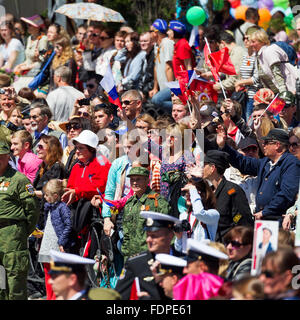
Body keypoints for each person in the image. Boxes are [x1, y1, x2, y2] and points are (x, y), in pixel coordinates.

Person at [216, 126, 300, 226]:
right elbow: (243, 163)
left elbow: (287, 193)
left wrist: (266, 211)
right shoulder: (266, 162)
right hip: (261, 218)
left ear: (277, 145)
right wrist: (224, 146)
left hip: (278, 221)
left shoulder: (291, 163)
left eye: (267, 142)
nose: (263, 145)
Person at [0, 140, 39, 300]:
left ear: (8, 157)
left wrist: (23, 231)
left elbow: (32, 209)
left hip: (12, 235)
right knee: (0, 281)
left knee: (15, 279)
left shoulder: (19, 180)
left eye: (1, 157)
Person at [115, 211, 180, 300]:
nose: (148, 240)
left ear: (170, 236)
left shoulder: (181, 260)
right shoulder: (136, 263)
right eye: (147, 235)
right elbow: (119, 297)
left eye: (154, 236)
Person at [121, 166, 172, 262]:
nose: (135, 183)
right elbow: (126, 234)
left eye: (138, 179)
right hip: (131, 257)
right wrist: (126, 255)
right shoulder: (130, 204)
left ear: (146, 180)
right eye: (132, 180)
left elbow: (166, 232)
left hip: (150, 256)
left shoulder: (158, 202)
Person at [201, 150, 253, 241]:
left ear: (212, 168)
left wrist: (231, 228)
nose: (201, 168)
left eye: (204, 165)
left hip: (228, 246)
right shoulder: (210, 191)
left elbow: (241, 217)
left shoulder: (232, 190)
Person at [38, 179, 75, 300]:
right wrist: (41, 233)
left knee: (57, 276)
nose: (44, 197)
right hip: (47, 245)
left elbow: (68, 225)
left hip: (56, 246)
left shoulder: (62, 208)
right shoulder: (49, 207)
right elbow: (49, 225)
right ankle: (50, 297)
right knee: (48, 275)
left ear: (55, 196)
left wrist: (62, 242)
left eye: (47, 195)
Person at [175, 178, 219, 253]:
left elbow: (199, 213)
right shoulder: (183, 215)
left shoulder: (213, 214)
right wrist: (179, 237)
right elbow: (179, 248)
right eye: (186, 192)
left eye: (190, 192)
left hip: (204, 258)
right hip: (189, 259)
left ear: (202, 194)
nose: (187, 195)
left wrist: (193, 189)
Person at [249, 28, 299, 94]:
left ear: (262, 41)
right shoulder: (258, 55)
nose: (251, 44)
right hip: (276, 93)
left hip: (288, 90)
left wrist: (284, 93)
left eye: (253, 42)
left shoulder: (269, 51)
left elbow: (277, 73)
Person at [33, 135, 66, 224]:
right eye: (37, 147)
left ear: (51, 149)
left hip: (51, 215)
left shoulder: (57, 167)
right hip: (40, 212)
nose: (37, 150)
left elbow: (53, 193)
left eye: (40, 147)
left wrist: (32, 193)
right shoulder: (43, 166)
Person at [149, 19, 174, 113]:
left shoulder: (167, 43)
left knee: (157, 100)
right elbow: (156, 67)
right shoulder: (157, 46)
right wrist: (155, 88)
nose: (149, 34)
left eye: (150, 31)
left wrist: (172, 88)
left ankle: (185, 107)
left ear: (156, 33)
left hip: (170, 85)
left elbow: (169, 66)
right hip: (163, 86)